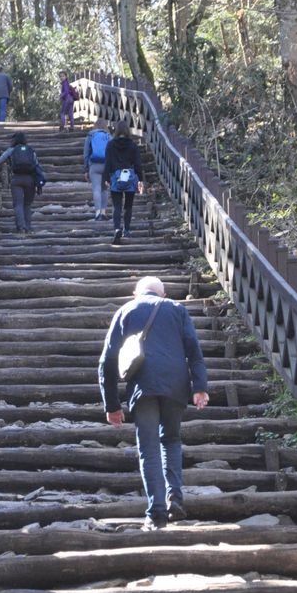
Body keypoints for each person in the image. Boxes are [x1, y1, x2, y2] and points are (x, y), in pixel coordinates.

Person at [99, 276, 209, 530]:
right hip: (176, 386)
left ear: (136, 294)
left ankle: (156, 513)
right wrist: (200, 387)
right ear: (164, 294)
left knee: (148, 447)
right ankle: (175, 497)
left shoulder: (126, 311)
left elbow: (107, 361)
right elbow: (194, 351)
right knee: (170, 439)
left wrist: (112, 405)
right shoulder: (177, 310)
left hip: (143, 386)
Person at [0, 131, 45, 234]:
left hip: (16, 179)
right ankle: (28, 227)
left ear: (14, 140)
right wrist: (40, 183)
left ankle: (21, 228)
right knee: (27, 204)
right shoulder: (30, 151)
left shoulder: (11, 150)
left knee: (18, 204)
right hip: (30, 180)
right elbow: (37, 167)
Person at [102, 119, 144, 244]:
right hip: (130, 177)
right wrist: (140, 179)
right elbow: (138, 164)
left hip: (116, 177)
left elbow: (107, 163)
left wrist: (106, 178)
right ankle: (126, 229)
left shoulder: (110, 145)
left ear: (117, 130)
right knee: (128, 205)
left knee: (117, 206)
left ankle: (116, 229)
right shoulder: (132, 145)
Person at [84, 119, 111, 220]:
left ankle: (97, 213)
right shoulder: (108, 136)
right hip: (106, 165)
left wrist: (86, 169)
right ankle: (104, 213)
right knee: (104, 189)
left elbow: (86, 154)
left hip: (94, 166)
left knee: (96, 189)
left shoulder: (90, 136)